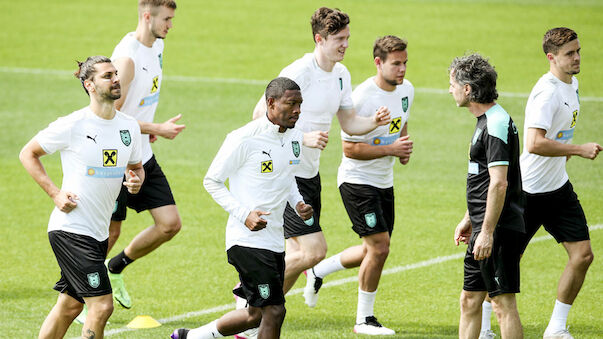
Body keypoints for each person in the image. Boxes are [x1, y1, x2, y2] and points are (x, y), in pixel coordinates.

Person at [251, 6, 390, 301]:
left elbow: (349, 122)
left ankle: (262, 316)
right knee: (315, 251)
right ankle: (252, 295)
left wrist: (373, 122)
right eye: (339, 38)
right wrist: (303, 137)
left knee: (297, 252)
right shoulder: (299, 73)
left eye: (347, 37)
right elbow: (258, 116)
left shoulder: (341, 75)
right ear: (319, 39)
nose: (345, 45)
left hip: (310, 175)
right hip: (286, 174)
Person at [171, 77, 313, 339]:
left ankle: (189, 337)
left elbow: (287, 175)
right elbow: (211, 181)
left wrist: (298, 203)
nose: (297, 110)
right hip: (246, 239)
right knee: (275, 311)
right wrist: (244, 214)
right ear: (271, 103)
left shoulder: (295, 138)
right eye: (291, 104)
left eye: (300, 104)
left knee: (254, 315)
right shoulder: (243, 138)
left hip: (274, 240)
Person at [19, 56, 143, 339]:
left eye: (115, 74)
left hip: (97, 234)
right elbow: (28, 153)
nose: (115, 79)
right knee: (101, 306)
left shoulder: (129, 127)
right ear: (89, 85)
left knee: (69, 306)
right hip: (71, 229)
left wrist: (135, 183)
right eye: (107, 76)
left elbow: (135, 168)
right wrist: (55, 193)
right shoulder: (73, 124)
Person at [302, 35, 413, 335]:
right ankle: (364, 320)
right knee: (380, 247)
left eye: (404, 63)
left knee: (372, 249)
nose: (402, 70)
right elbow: (350, 149)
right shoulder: (363, 97)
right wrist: (391, 150)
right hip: (356, 182)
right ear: (378, 63)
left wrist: (401, 146)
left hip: (384, 182)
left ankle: (317, 271)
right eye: (396, 64)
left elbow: (400, 124)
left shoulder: (408, 91)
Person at [518, 27, 600, 339]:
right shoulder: (547, 92)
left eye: (578, 51)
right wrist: (578, 150)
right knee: (509, 261)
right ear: (551, 57)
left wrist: (564, 156)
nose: (577, 57)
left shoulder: (572, 83)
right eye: (569, 54)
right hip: (526, 192)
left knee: (583, 255)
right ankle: (484, 326)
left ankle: (556, 327)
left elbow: (559, 134)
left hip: (557, 188)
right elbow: (534, 143)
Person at [104, 0, 184, 310]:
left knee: (170, 224)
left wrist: (147, 130)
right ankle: (83, 294)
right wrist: (156, 127)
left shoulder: (157, 47)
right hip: (117, 159)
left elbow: (138, 103)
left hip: (140, 150)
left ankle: (115, 268)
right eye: (166, 19)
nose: (170, 25)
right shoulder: (127, 59)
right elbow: (110, 115)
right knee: (110, 231)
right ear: (147, 16)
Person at [449, 54, 525, 339]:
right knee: (469, 300)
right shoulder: (487, 120)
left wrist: (487, 232)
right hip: (483, 225)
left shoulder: (495, 124)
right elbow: (481, 179)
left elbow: (499, 184)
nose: (450, 90)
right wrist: (470, 218)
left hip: (498, 229)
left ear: (467, 89)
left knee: (503, 304)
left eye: (452, 83)